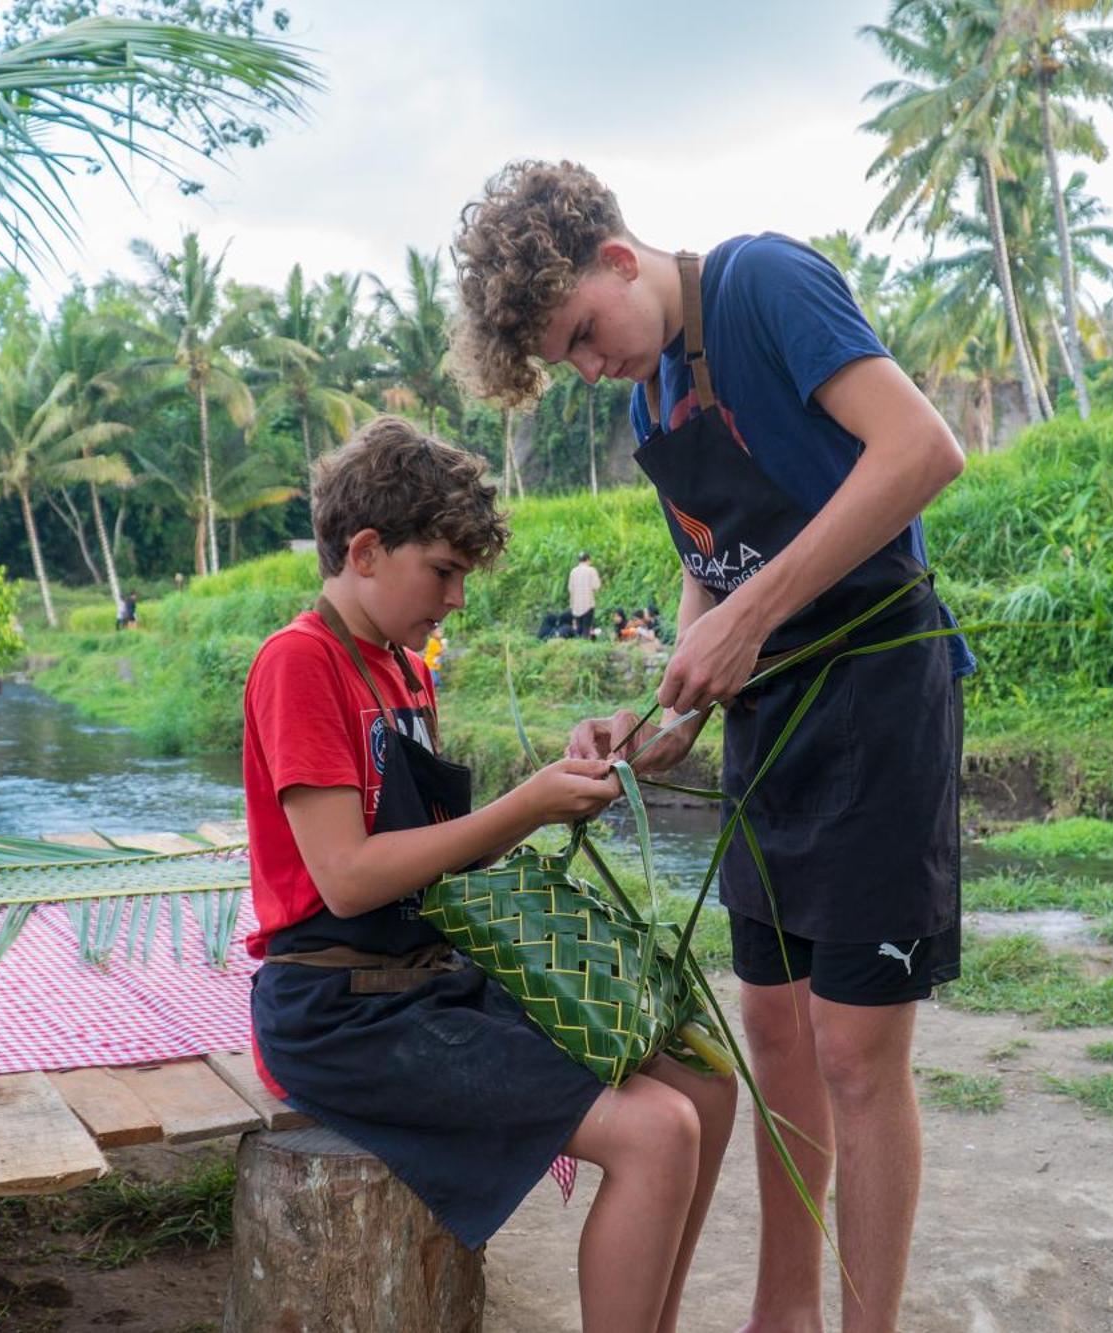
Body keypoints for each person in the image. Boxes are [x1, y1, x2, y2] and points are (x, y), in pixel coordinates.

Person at [454, 160, 975, 1333]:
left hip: (877, 696)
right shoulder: (651, 397)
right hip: (768, 727)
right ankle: (777, 1313)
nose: (591, 368)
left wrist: (749, 618)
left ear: (618, 259)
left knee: (852, 1051)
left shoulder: (762, 284)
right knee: (775, 1034)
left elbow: (920, 452)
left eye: (584, 333)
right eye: (566, 361)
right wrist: (666, 713)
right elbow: (710, 561)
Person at [243, 416, 734, 1332]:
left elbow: (442, 864)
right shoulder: (299, 664)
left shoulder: (402, 672)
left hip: (428, 976)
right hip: (340, 1009)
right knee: (657, 1130)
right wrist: (526, 806)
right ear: (365, 550)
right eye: (444, 571)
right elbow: (348, 879)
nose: (458, 598)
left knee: (705, 1085)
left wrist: (571, 775)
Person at [568, 550, 602, 637]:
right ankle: (585, 645)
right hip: (588, 605)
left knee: (578, 630)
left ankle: (578, 646)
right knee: (586, 629)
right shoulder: (591, 570)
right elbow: (596, 586)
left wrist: (571, 605)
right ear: (588, 559)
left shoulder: (573, 572)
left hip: (576, 606)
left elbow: (570, 589)